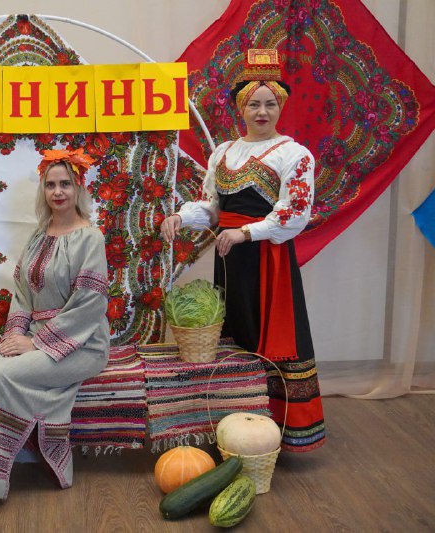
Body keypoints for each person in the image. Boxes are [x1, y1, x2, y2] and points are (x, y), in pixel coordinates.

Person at [160, 49, 325, 452]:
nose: (262, 112)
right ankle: (234, 422)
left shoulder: (294, 154)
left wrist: (246, 233)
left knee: (266, 333)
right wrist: (182, 216)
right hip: (230, 257)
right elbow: (212, 207)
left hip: (267, 259)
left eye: (270, 104)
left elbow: (294, 213)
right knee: (233, 330)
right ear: (241, 107)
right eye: (254, 104)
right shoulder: (224, 152)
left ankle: (278, 428)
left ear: (281, 107)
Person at [0, 148, 110, 510]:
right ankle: (17, 451)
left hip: (83, 343)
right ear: (43, 190)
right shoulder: (38, 235)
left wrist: (38, 342)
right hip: (34, 338)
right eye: (51, 185)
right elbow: (21, 294)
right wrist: (18, 334)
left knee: (4, 375)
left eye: (66, 184)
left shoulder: (91, 237)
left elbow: (90, 303)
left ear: (78, 188)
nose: (58, 191)